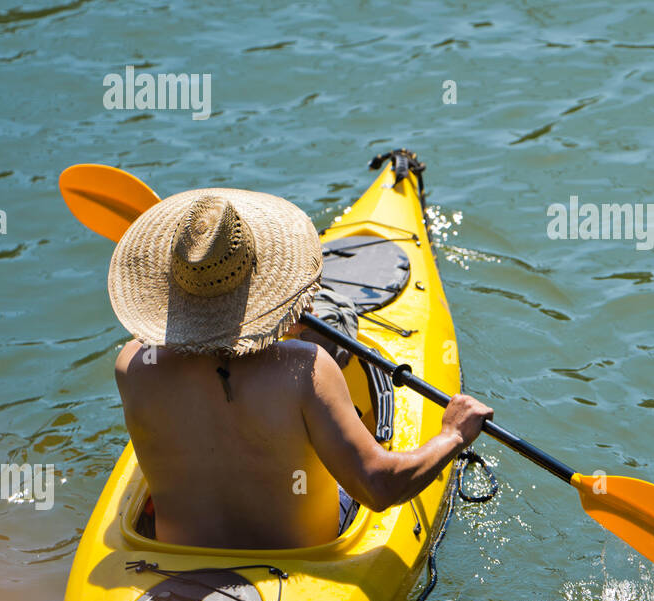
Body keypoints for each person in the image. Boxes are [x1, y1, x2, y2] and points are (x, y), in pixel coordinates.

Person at [106, 188, 489, 550]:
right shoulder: (306, 368)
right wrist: (452, 435)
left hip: (177, 554)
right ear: (258, 284)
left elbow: (211, 371)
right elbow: (378, 487)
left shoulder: (133, 365)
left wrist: (263, 326)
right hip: (300, 553)